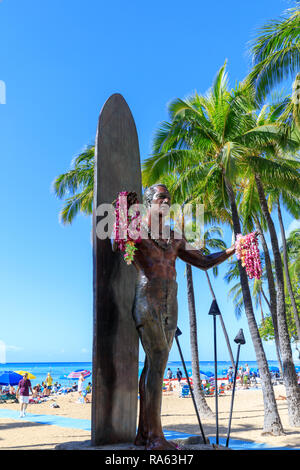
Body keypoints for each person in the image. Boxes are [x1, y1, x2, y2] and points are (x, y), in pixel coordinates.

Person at [126, 184, 235, 450]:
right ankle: (156, 437)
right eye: (161, 197)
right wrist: (126, 213)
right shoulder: (136, 230)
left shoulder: (175, 237)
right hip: (147, 296)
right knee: (159, 359)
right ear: (149, 202)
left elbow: (204, 261)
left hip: (170, 300)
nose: (166, 201)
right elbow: (120, 243)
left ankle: (144, 435)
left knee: (156, 364)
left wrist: (232, 251)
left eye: (168, 198)